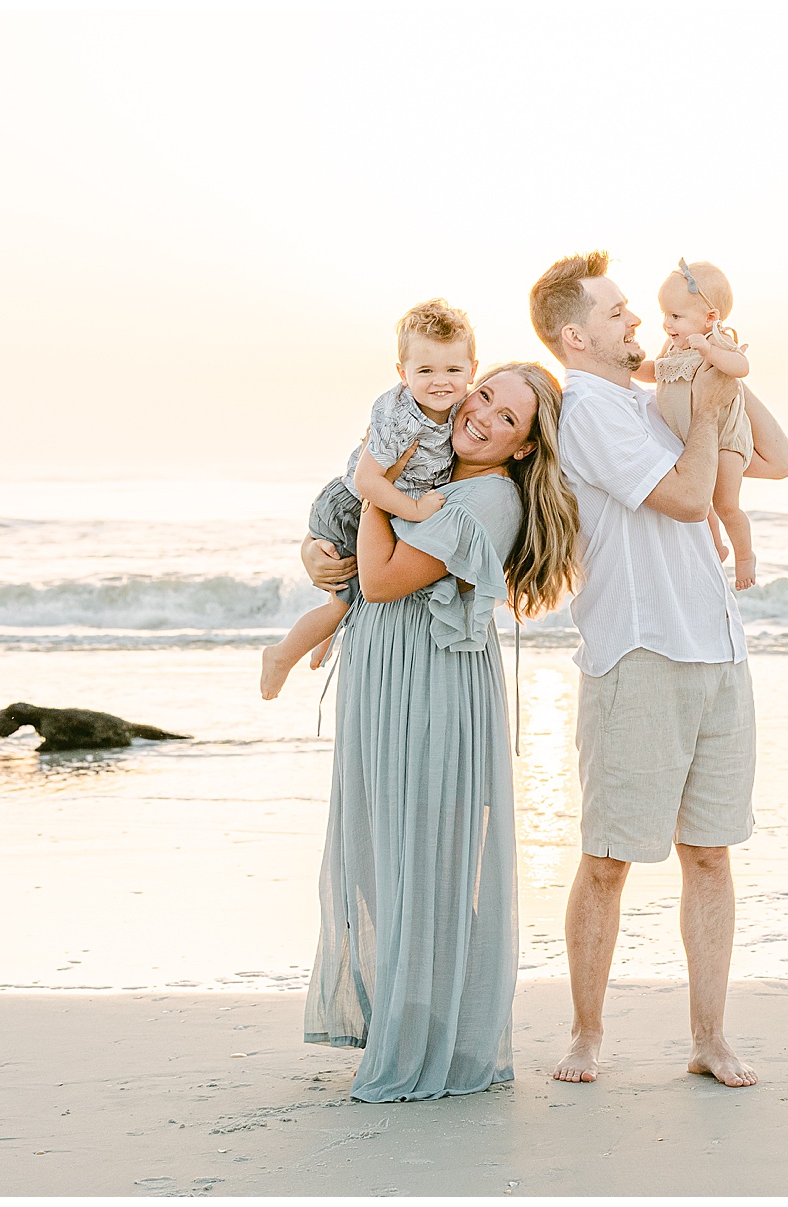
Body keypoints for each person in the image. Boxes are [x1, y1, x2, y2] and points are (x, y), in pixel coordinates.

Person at [527, 250, 788, 1089]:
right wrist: (706, 410)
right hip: (638, 654)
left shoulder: (657, 401)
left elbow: (779, 460)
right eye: (616, 314)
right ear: (574, 336)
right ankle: (585, 1033)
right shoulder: (592, 414)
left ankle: (710, 1038)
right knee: (609, 858)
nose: (636, 321)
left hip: (719, 649)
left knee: (710, 855)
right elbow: (686, 498)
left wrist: (722, 366)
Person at [298, 361, 581, 1103]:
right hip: (391, 675)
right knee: (393, 853)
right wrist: (317, 550)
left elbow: (386, 577)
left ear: (523, 447)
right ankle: (407, 1020)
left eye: (508, 417)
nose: (483, 413)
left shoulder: (487, 496)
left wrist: (371, 488)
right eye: (484, 392)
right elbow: (350, 569)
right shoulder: (430, 471)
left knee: (423, 857)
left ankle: (430, 1042)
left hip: (431, 689)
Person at [260, 299, 478, 700]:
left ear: (472, 371)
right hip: (347, 506)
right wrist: (414, 509)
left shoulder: (460, 406)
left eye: (453, 370)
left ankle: (323, 638)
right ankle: (280, 655)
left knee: (348, 595)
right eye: (425, 371)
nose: (440, 381)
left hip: (376, 507)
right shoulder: (401, 419)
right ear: (402, 373)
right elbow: (366, 480)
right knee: (343, 602)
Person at [629, 259, 759, 589]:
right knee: (702, 503)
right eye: (665, 315)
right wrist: (626, 367)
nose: (666, 323)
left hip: (725, 438)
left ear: (710, 317)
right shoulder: (672, 348)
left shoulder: (717, 339)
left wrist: (709, 350)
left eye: (675, 316)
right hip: (692, 442)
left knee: (726, 504)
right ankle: (716, 546)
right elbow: (654, 371)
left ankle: (745, 558)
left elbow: (740, 367)